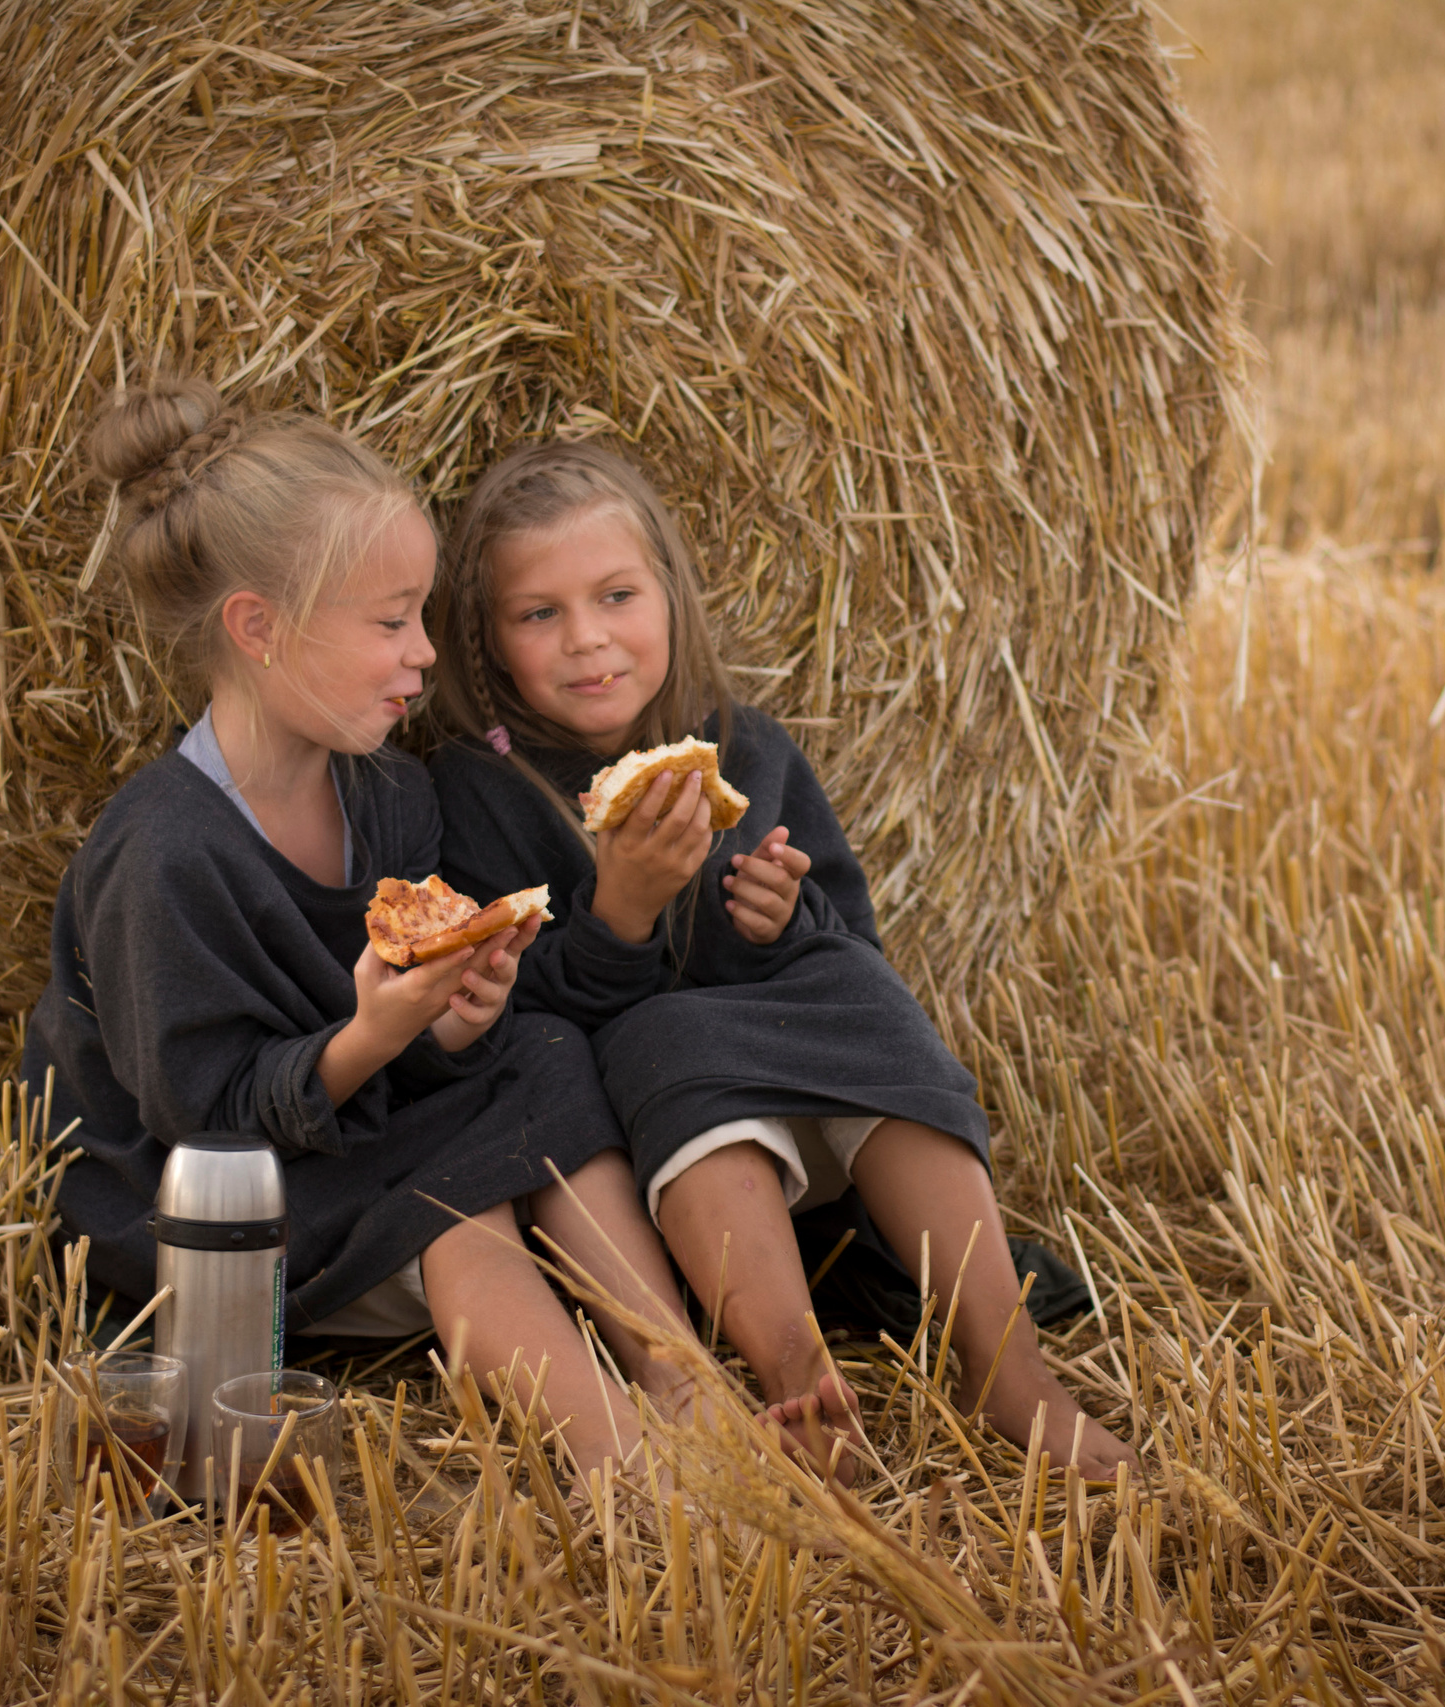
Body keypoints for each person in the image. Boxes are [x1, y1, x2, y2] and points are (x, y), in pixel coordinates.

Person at [22, 378, 699, 1488]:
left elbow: (422, 1042)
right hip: (206, 1224)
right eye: (391, 623)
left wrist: (454, 1019)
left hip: (345, 1135)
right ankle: (621, 1463)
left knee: (540, 1052)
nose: (426, 654)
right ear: (259, 628)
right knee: (454, 1203)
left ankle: (685, 1386)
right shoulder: (164, 855)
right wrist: (374, 1037)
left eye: (422, 616)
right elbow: (207, 1129)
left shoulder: (387, 799)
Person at [423, 440, 1136, 1480]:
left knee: (855, 987)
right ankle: (796, 1375)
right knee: (663, 1036)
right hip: (653, 1158)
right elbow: (512, 1039)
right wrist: (618, 915)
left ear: (669, 594)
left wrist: (782, 922)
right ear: (485, 642)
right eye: (539, 615)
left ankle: (1005, 1359)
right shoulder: (478, 792)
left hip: (806, 1131)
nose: (588, 640)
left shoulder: (744, 749)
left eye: (617, 595)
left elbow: (848, 942)